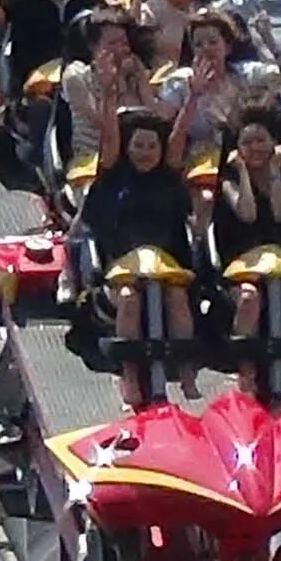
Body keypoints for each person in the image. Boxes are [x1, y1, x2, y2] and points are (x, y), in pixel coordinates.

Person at [76, 109, 201, 402]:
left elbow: (178, 138)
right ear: (127, 147)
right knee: (130, 299)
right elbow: (108, 143)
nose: (145, 153)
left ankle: (185, 370)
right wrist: (108, 98)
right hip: (122, 269)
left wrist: (193, 99)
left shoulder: (168, 179)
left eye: (151, 146)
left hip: (166, 269)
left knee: (178, 298)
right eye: (138, 146)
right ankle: (129, 374)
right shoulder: (113, 178)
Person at [207, 100, 281, 359]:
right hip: (241, 267)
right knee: (249, 299)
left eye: (261, 141)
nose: (254, 149)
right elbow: (247, 214)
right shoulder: (230, 181)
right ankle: (245, 373)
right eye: (247, 143)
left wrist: (274, 171)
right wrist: (242, 173)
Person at [160, 6, 281, 172]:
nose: (206, 48)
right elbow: (165, 126)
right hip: (205, 163)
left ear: (227, 47)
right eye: (199, 44)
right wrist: (194, 96)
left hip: (248, 158)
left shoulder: (245, 73)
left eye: (213, 42)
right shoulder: (179, 82)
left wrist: (269, 40)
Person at [60, 8, 156, 173]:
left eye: (124, 43)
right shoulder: (76, 75)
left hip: (137, 155)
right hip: (94, 158)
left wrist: (140, 79)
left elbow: (152, 113)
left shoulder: (133, 72)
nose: (121, 49)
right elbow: (102, 122)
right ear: (93, 47)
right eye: (113, 43)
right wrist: (110, 85)